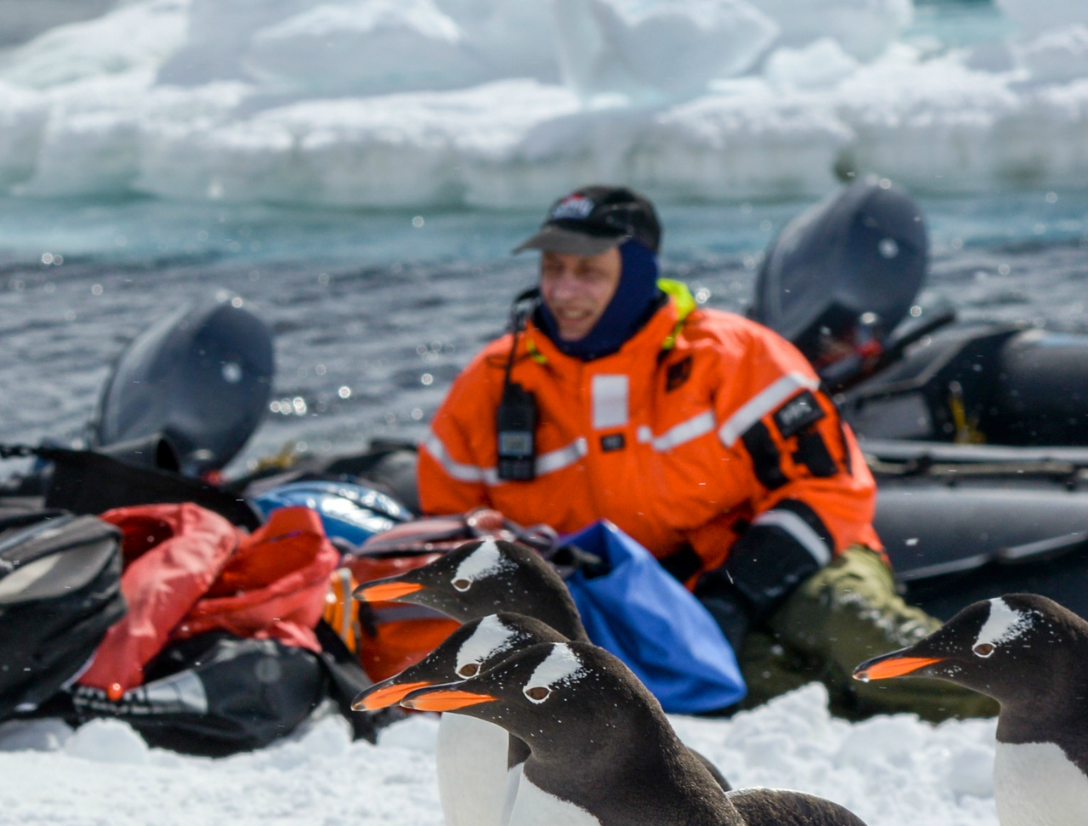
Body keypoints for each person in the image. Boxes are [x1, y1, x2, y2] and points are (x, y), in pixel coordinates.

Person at [417, 184, 982, 720]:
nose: (564, 291)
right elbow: (449, 539)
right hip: (632, 621)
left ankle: (1044, 705)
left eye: (588, 271)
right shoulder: (489, 386)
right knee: (767, 688)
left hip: (784, 571)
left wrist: (732, 597)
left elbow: (832, 488)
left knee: (852, 632)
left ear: (636, 274)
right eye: (553, 269)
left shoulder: (737, 356)